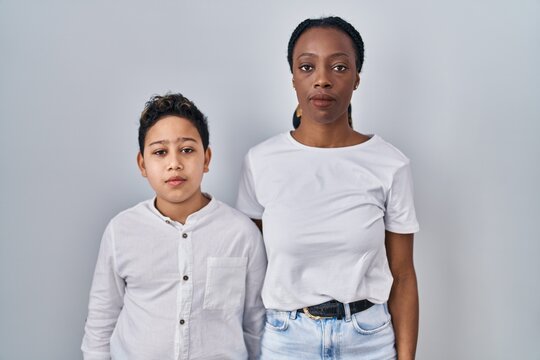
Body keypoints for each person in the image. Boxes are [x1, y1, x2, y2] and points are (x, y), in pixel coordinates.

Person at [236, 16, 419, 359]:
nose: (322, 79)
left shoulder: (390, 164)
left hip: (369, 339)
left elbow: (403, 275)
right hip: (285, 341)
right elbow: (249, 271)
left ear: (356, 78)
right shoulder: (261, 161)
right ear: (293, 78)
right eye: (307, 66)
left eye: (338, 67)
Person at [82, 93, 267, 360]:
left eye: (187, 150)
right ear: (142, 164)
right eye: (160, 152)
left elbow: (256, 325)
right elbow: (101, 323)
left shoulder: (242, 234)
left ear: (206, 158)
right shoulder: (120, 231)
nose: (174, 163)